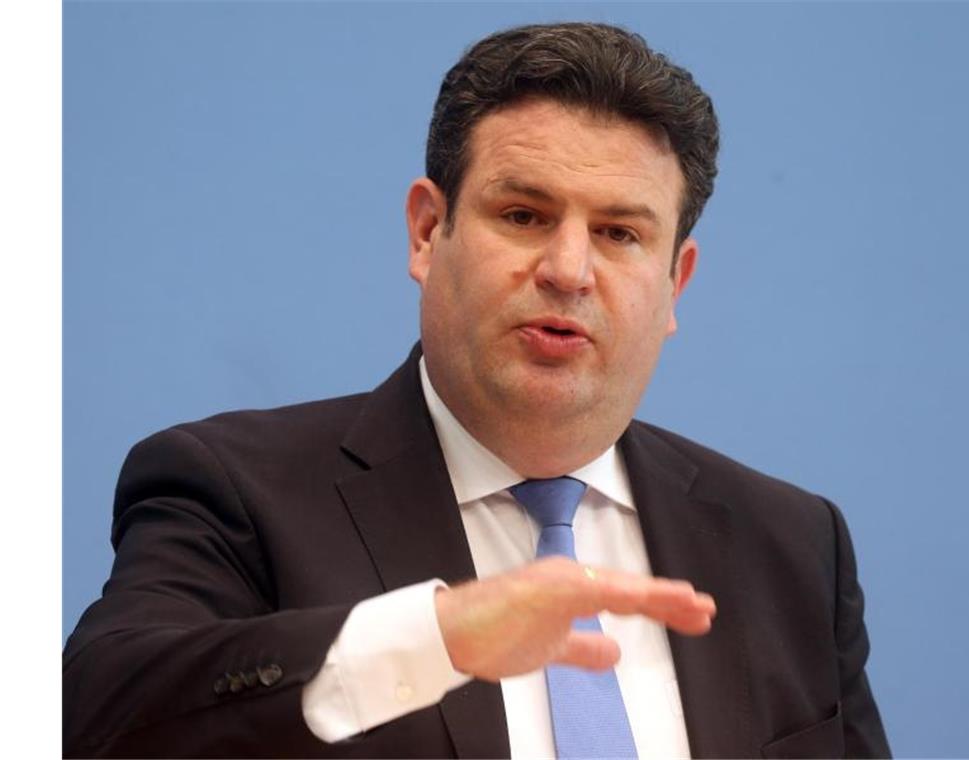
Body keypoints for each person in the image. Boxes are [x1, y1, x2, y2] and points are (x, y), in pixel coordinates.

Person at [63, 22, 890, 759]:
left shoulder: (790, 545)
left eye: (619, 234)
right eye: (525, 215)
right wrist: (436, 638)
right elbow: (91, 717)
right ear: (429, 231)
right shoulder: (236, 491)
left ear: (675, 283)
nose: (569, 270)